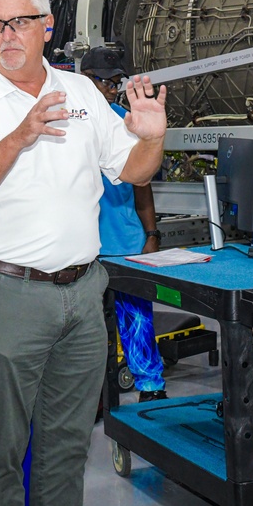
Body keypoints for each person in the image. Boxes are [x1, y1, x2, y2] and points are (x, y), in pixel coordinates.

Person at [0, 0, 166, 506]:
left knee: (67, 447)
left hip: (83, 296)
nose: (7, 34)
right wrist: (20, 135)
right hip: (2, 296)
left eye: (20, 22)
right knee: (1, 453)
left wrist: (153, 137)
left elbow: (133, 170)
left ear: (47, 25)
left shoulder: (80, 91)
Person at [81, 46, 167, 402]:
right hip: (84, 248)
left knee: (136, 320)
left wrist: (151, 233)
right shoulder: (69, 124)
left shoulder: (128, 122)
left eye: (118, 81)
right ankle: (96, 397)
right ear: (84, 80)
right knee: (87, 330)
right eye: (106, 81)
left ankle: (150, 386)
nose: (113, 89)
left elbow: (141, 185)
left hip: (127, 244)